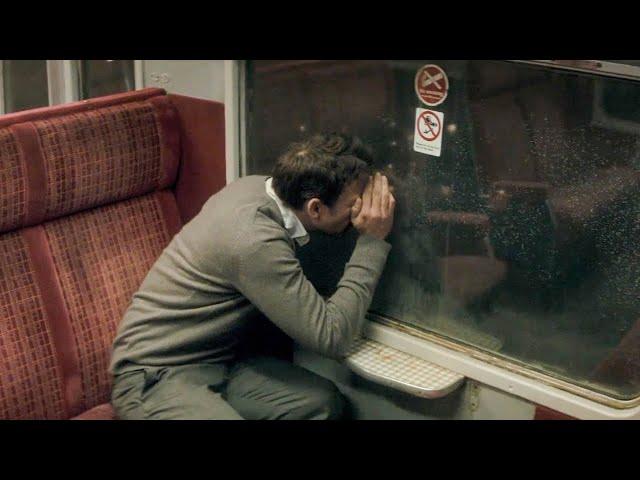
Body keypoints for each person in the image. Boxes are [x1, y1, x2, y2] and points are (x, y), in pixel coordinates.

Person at [109, 132, 396, 420]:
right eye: (354, 206)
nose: (361, 213)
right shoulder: (253, 238)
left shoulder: (258, 188)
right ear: (316, 208)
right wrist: (371, 241)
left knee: (320, 404)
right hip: (156, 375)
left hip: (219, 361)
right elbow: (333, 336)